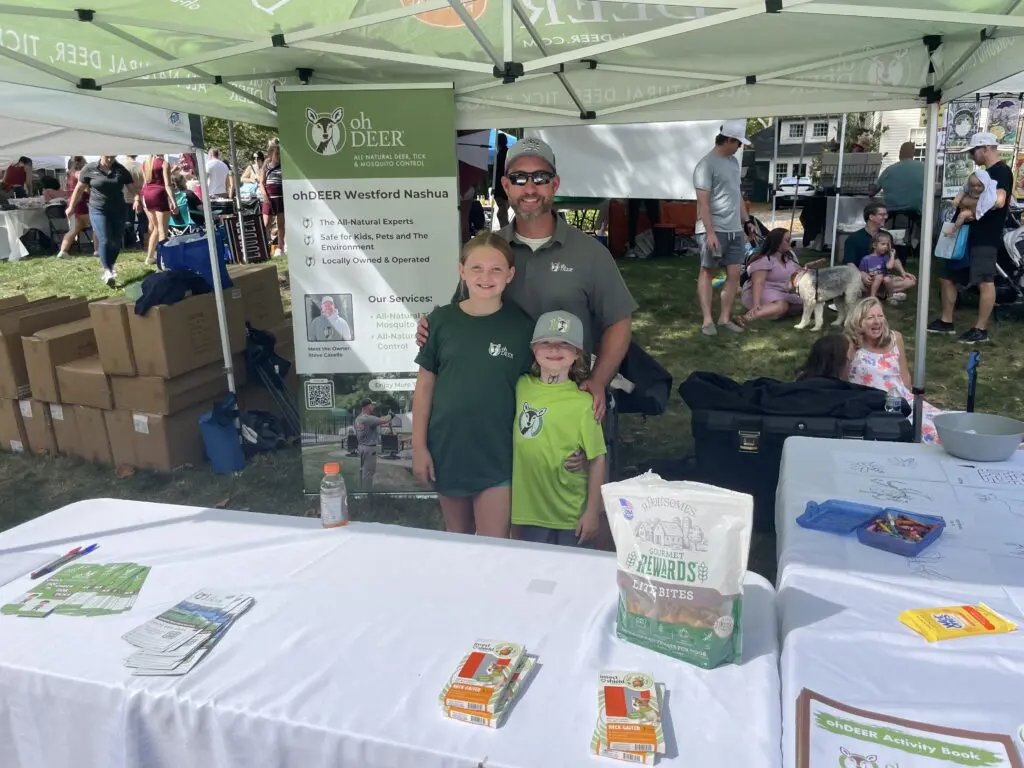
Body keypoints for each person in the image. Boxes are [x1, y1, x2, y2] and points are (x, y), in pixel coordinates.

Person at [416, 136, 636, 425]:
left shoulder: (591, 254)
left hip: (568, 401)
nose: (530, 188)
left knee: (573, 469)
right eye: (519, 179)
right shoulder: (488, 252)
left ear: (554, 185)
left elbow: (619, 322)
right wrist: (432, 327)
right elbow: (463, 316)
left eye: (540, 178)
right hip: (498, 403)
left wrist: (597, 380)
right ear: (506, 186)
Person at [412, 232, 533, 538]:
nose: (485, 277)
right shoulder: (440, 322)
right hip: (449, 448)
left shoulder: (522, 328)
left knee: (495, 544)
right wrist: (418, 447)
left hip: (498, 452)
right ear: (461, 271)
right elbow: (425, 387)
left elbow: (537, 393)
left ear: (510, 275)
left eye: (496, 269)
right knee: (458, 536)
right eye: (476, 268)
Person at [511, 310, 607, 547]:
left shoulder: (584, 403)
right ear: (534, 349)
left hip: (570, 514)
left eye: (564, 344)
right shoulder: (520, 386)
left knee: (571, 577)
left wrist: (592, 512)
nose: (554, 350)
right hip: (528, 512)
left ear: (577, 353)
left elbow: (597, 458)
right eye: (546, 343)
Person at [928, 131, 1013, 344]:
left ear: (986, 148)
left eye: (973, 151)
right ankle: (947, 321)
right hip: (963, 233)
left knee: (985, 280)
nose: (971, 156)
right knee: (947, 275)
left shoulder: (1001, 172)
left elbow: (998, 201)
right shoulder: (983, 173)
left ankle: (980, 329)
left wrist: (967, 203)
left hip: (984, 236)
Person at [845, 297, 942, 443]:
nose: (877, 322)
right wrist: (852, 348)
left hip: (899, 401)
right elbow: (842, 378)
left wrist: (908, 399)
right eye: (870, 317)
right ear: (858, 322)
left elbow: (904, 375)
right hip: (870, 404)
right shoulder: (850, 343)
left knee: (940, 427)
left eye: (880, 316)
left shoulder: (895, 338)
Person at [693, 119, 758, 336]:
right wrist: (710, 232)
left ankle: (724, 318)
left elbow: (736, 194)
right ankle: (707, 320)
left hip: (734, 230)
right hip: (713, 228)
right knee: (707, 271)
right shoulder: (706, 165)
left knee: (733, 273)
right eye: (738, 143)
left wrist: (747, 221)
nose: (740, 147)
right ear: (728, 140)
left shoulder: (733, 163)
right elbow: (703, 202)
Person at [67, 155, 134, 288]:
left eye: (113, 157)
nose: (110, 159)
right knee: (105, 239)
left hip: (118, 210)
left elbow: (132, 188)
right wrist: (71, 207)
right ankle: (107, 271)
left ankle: (110, 265)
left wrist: (138, 198)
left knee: (116, 242)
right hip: (98, 209)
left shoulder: (121, 170)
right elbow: (79, 189)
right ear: (102, 154)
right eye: (107, 157)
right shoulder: (89, 168)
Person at [738, 228, 816, 324]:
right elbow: (757, 283)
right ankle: (745, 318)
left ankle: (773, 313)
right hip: (760, 292)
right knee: (782, 306)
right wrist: (756, 304)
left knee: (808, 302)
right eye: (787, 240)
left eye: (789, 239)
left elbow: (796, 274)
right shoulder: (764, 260)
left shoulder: (788, 258)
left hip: (780, 291)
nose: (789, 242)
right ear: (777, 242)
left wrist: (807, 267)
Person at [141, 154, 178, 266]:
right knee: (163, 230)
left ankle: (149, 257)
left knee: (156, 228)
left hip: (146, 194)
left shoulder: (145, 163)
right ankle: (164, 259)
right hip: (159, 194)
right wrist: (174, 202)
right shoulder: (164, 163)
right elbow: (168, 185)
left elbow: (145, 182)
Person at [858, 232, 916, 302]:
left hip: (884, 281)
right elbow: (861, 272)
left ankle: (890, 296)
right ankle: (872, 297)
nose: (886, 247)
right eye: (883, 244)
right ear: (874, 245)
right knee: (879, 277)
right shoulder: (866, 259)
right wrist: (866, 275)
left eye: (887, 245)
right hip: (872, 281)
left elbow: (889, 267)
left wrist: (892, 255)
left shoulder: (885, 257)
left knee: (887, 279)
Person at [353, 398, 397, 490]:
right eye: (372, 405)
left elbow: (377, 422)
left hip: (361, 447)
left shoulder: (358, 418)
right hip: (369, 449)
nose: (373, 406)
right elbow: (383, 420)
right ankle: (367, 495)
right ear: (368, 406)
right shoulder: (367, 418)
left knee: (363, 471)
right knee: (368, 473)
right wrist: (391, 415)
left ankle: (361, 490)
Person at [56, 157, 94, 261]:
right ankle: (97, 251)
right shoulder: (80, 174)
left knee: (73, 230)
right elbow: (85, 189)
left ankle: (63, 251)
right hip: (82, 204)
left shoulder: (69, 174)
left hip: (71, 204)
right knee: (96, 227)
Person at [871, 142, 925, 215]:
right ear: (913, 153)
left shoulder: (889, 170)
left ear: (900, 153)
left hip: (891, 214)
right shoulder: (924, 168)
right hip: (917, 213)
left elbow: (873, 192)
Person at [842, 201, 890, 267]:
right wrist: (861, 274)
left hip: (881, 274)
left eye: (886, 214)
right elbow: (849, 263)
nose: (886, 217)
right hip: (859, 273)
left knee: (906, 278)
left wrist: (903, 272)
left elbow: (894, 257)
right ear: (871, 217)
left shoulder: (886, 236)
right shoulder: (853, 239)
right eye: (882, 214)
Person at [261, 141, 285, 256]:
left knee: (281, 224)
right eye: (277, 153)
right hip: (269, 197)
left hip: (280, 197)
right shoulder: (266, 166)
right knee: (266, 223)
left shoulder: (283, 166)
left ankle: (280, 247)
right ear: (271, 154)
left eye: (280, 154)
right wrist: (265, 196)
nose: (279, 156)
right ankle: (265, 246)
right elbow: (261, 183)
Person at [121, 155, 148, 249]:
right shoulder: (142, 166)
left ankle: (130, 243)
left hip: (127, 198)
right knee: (143, 221)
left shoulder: (123, 167)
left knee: (128, 222)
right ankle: (143, 242)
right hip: (141, 197)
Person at [492, 133, 509, 229]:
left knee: (502, 213)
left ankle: (505, 231)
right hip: (506, 188)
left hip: (500, 189)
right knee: (502, 213)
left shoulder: (500, 155)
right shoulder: (508, 154)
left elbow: (497, 173)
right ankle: (505, 230)